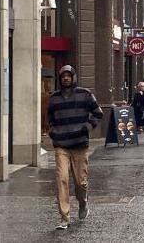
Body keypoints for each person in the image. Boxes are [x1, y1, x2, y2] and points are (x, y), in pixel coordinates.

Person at [47, 65, 103, 230]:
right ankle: (64, 217)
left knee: (80, 182)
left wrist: (87, 126)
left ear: (73, 77)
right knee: (62, 179)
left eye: (68, 76)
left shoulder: (85, 94)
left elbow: (98, 113)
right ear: (60, 78)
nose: (65, 78)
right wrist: (52, 130)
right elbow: (49, 117)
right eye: (63, 76)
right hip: (61, 145)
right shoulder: (54, 98)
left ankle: (83, 202)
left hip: (79, 144)